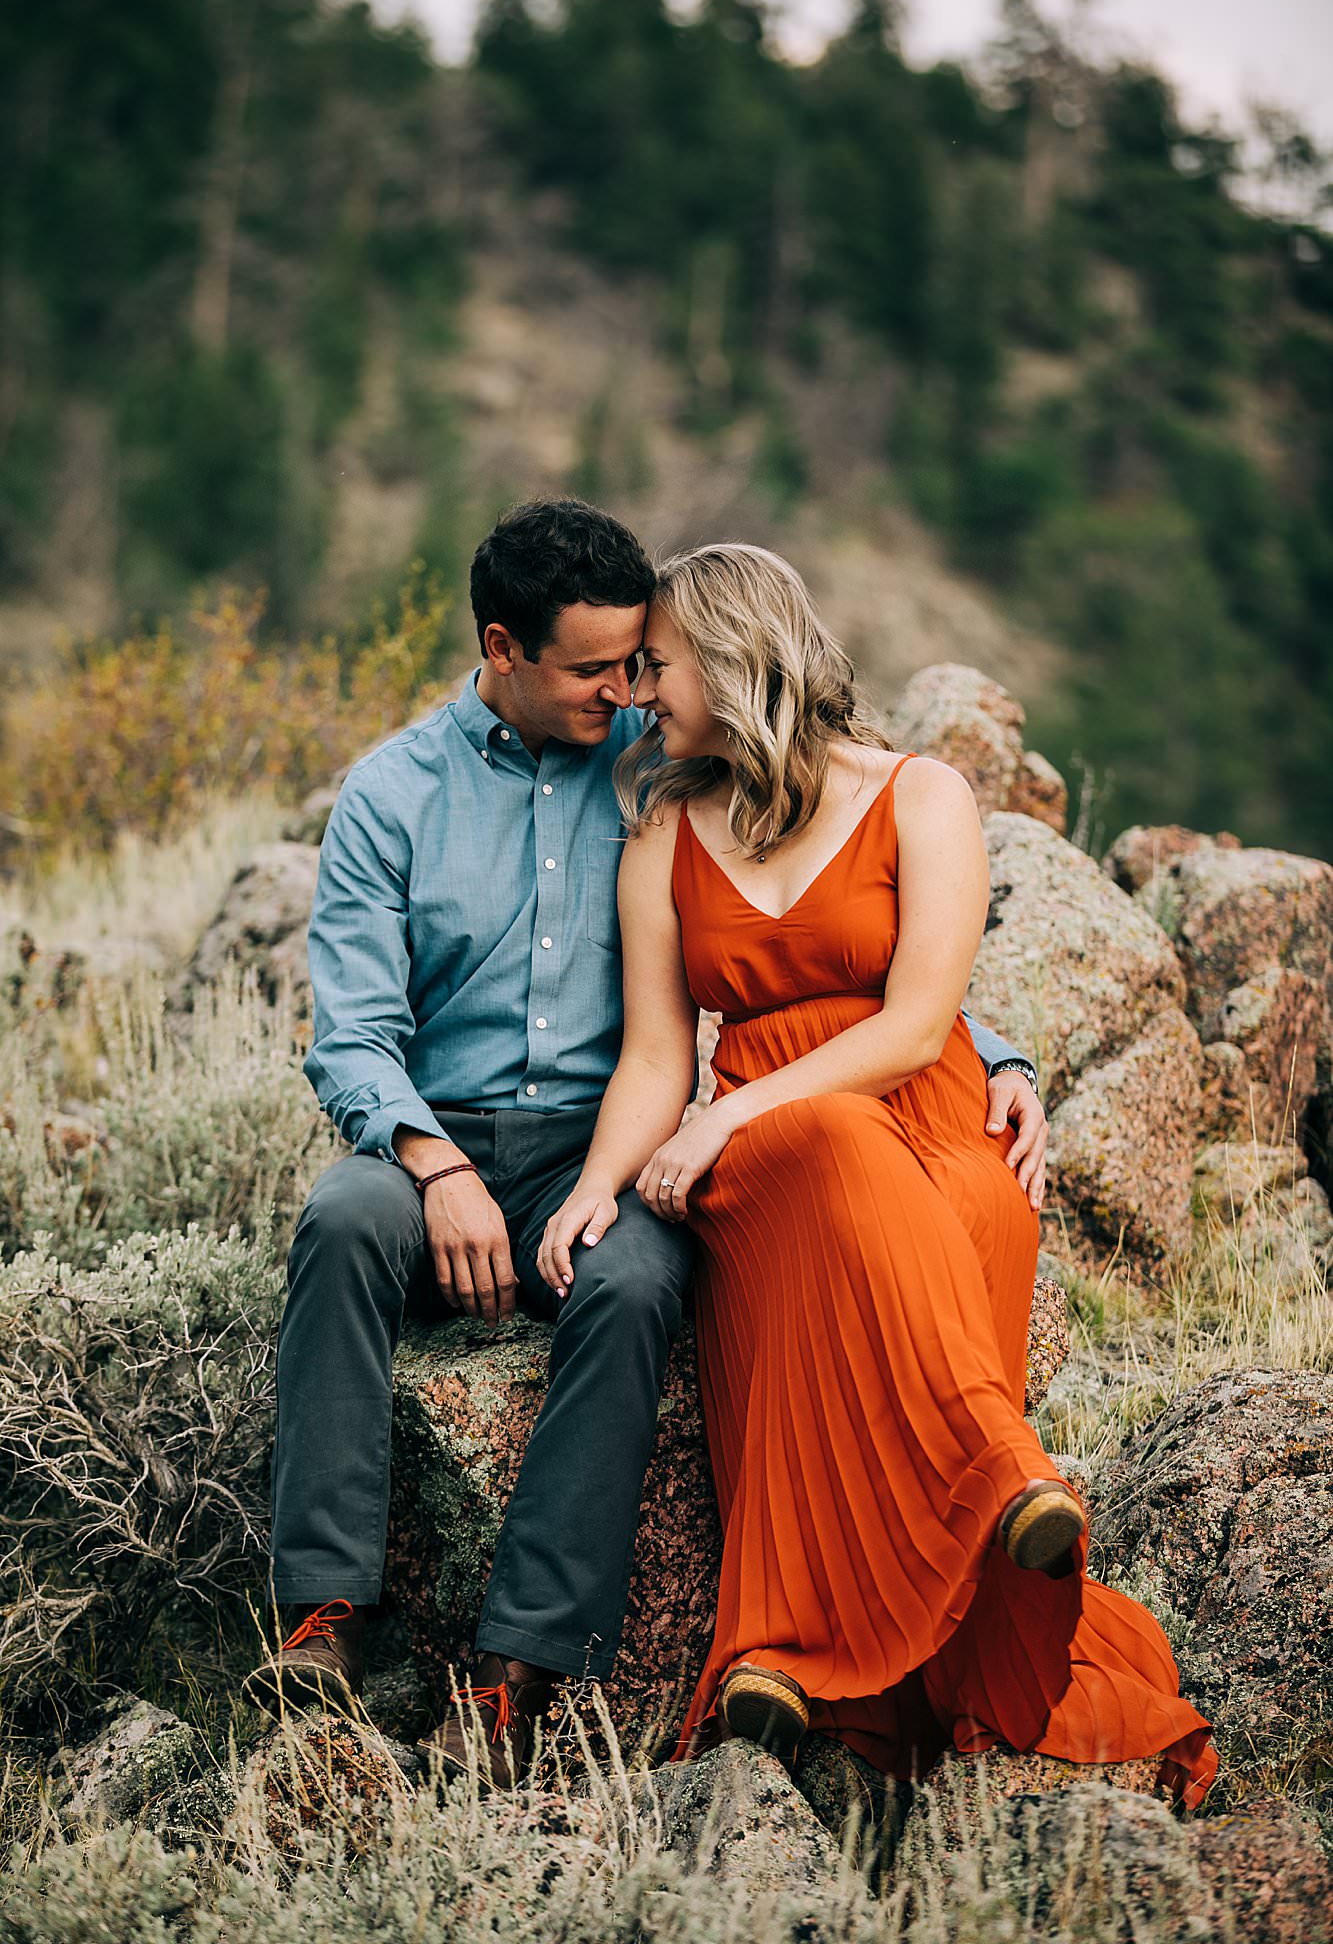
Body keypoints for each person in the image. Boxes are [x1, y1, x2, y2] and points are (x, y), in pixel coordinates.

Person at [242, 498, 1050, 1790]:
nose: (623, 689)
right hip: (435, 1137)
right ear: (503, 648)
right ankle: (326, 1614)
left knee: (628, 1287)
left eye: (638, 664)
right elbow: (350, 1031)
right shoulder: (395, 794)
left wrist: (992, 1053)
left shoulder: (659, 758)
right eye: (593, 668)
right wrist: (432, 1163)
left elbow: (824, 924)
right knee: (340, 1221)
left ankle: (521, 1666)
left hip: (604, 1135)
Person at [537, 542, 1217, 1807]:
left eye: (660, 665)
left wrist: (727, 1114)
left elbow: (915, 1024)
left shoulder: (923, 795)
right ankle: (988, 1482)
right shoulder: (662, 835)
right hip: (773, 1148)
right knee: (834, 1152)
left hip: (926, 1111)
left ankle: (811, 1659)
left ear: (738, 661)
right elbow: (648, 1056)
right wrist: (602, 1179)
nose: (639, 691)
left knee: (971, 1207)